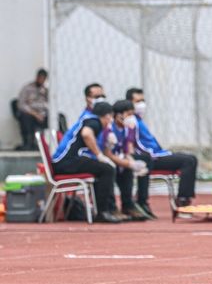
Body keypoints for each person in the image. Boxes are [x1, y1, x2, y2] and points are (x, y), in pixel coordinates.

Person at [126, 87, 198, 215]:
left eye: (143, 100)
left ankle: (184, 198)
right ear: (130, 102)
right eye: (138, 101)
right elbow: (134, 144)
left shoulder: (139, 120)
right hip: (152, 158)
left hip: (158, 154)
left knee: (192, 158)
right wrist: (151, 155)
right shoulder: (132, 121)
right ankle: (182, 202)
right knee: (188, 161)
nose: (142, 104)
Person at [51, 102, 122, 223]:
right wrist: (99, 155)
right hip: (66, 163)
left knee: (102, 168)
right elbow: (86, 134)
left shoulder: (88, 120)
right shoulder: (94, 122)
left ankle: (103, 209)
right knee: (107, 169)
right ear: (108, 116)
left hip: (64, 162)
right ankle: (103, 212)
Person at [101, 100, 149, 221]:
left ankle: (128, 205)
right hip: (107, 159)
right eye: (128, 114)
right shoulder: (109, 129)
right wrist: (128, 163)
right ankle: (111, 207)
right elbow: (107, 153)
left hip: (119, 158)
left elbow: (127, 150)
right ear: (118, 115)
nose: (131, 118)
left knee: (129, 169)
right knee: (111, 169)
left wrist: (133, 163)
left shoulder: (128, 129)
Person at [16, 68, 49, 150]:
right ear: (37, 77)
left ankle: (61, 142)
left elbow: (49, 104)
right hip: (31, 114)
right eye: (40, 78)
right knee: (25, 117)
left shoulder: (45, 90)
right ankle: (28, 143)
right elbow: (21, 104)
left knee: (59, 117)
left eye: (43, 79)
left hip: (43, 114)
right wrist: (35, 114)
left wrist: (43, 114)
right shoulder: (27, 88)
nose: (41, 80)